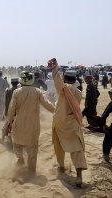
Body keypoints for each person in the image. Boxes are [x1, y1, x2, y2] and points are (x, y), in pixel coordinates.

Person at [7, 71, 55, 177]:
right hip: (33, 124)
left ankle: (20, 159)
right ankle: (31, 170)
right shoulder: (38, 91)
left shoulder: (16, 92)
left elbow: (11, 109)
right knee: (32, 147)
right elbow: (47, 104)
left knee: (17, 143)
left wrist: (9, 122)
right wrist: (56, 111)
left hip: (18, 123)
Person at [49, 58, 87, 187]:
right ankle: (79, 176)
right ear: (75, 79)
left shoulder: (64, 89)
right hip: (72, 124)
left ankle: (61, 167)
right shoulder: (79, 92)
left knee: (59, 146)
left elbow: (57, 81)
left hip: (60, 123)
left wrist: (54, 69)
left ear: (65, 79)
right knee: (77, 150)